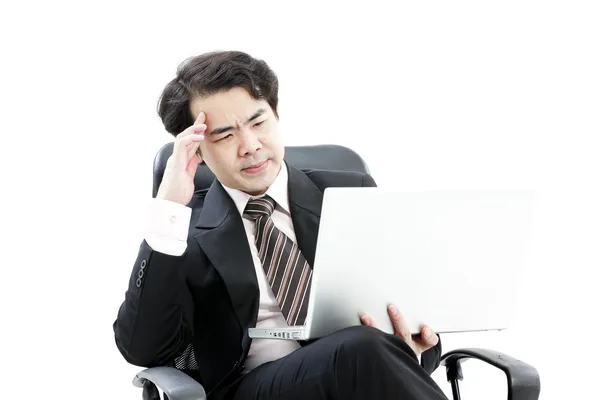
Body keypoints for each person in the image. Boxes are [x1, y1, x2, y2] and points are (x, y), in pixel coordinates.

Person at [113, 50, 448, 400]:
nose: (251, 146)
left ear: (276, 114)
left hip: (357, 378)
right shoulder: (185, 227)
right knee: (359, 348)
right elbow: (143, 348)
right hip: (252, 388)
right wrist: (168, 211)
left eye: (258, 123)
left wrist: (420, 342)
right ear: (197, 151)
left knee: (362, 348)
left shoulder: (350, 193)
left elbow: (406, 315)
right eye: (225, 136)